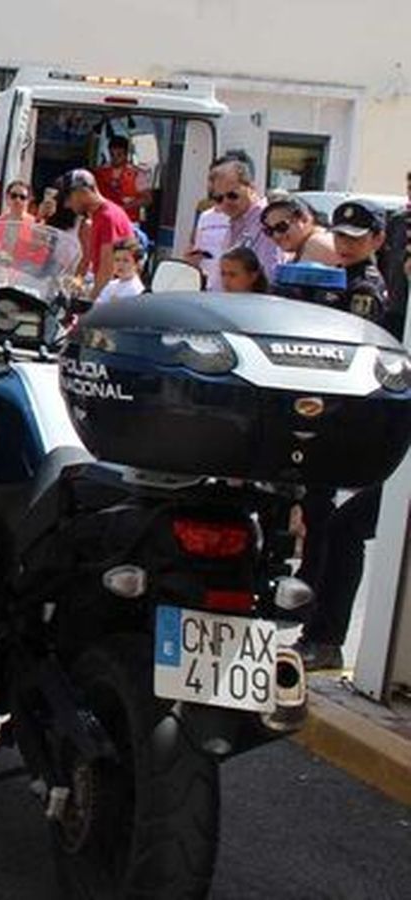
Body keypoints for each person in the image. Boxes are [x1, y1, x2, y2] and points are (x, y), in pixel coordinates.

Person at [294, 200, 393, 672]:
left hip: (353, 420)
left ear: (377, 240)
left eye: (357, 237)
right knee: (325, 522)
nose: (346, 243)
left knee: (339, 526)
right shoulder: (332, 279)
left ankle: (326, 634)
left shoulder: (366, 289)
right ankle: (316, 623)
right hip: (339, 417)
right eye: (341, 235)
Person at [207, 155, 282, 288]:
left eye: (232, 195)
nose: (226, 203)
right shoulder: (236, 222)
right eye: (219, 198)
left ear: (251, 188)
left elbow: (269, 278)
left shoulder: (266, 222)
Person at [60, 169, 135, 301]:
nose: (67, 205)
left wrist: (90, 300)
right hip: (111, 291)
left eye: (68, 197)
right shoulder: (97, 216)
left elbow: (107, 268)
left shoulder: (108, 217)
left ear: (82, 192)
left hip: (117, 296)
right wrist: (76, 283)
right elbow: (88, 258)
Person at [261, 196, 338, 265]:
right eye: (269, 230)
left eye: (281, 227)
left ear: (304, 219)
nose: (276, 235)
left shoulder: (316, 244)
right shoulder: (306, 245)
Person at [94, 135, 149, 223]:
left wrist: (124, 207)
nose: (115, 159)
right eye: (112, 155)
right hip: (105, 220)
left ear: (126, 154)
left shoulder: (138, 174)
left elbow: (147, 199)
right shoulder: (100, 172)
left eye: (119, 155)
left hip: (129, 221)